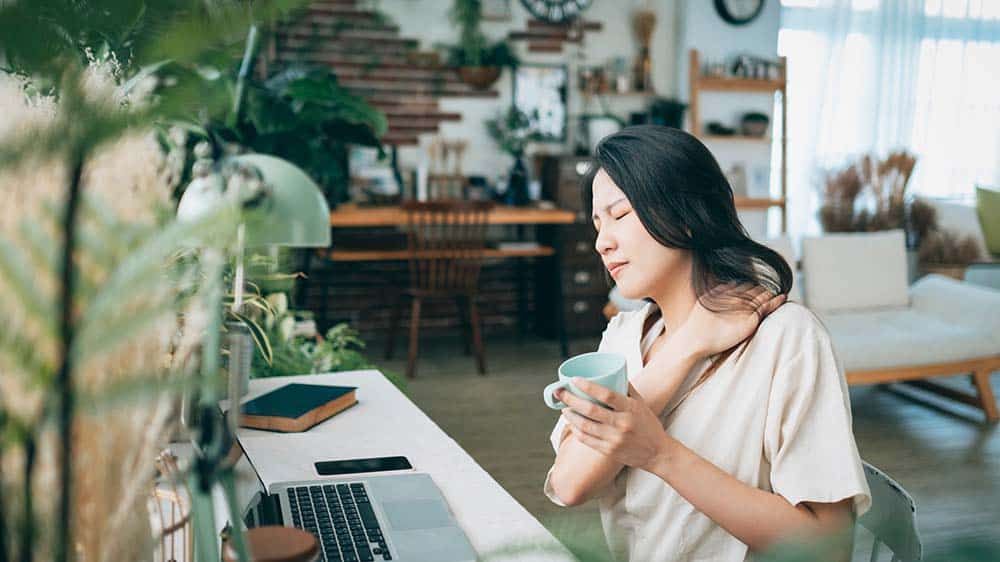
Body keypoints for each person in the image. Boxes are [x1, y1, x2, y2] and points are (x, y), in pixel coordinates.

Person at [544, 126, 870, 561]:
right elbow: (568, 485)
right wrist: (687, 347)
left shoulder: (787, 338)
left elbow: (829, 549)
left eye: (620, 215)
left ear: (685, 214)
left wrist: (661, 455)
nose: (602, 242)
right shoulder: (623, 336)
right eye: (597, 224)